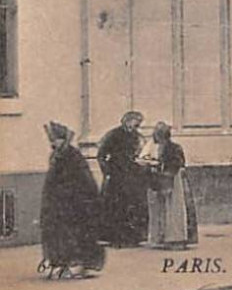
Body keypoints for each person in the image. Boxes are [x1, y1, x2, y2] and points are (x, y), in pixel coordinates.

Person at [38, 121, 105, 280]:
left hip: (74, 205)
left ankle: (76, 266)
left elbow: (83, 180)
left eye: (55, 140)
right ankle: (60, 264)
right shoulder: (56, 155)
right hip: (57, 205)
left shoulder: (73, 156)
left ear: (62, 139)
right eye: (51, 141)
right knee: (57, 235)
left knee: (74, 235)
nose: (53, 143)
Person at [141, 122, 198, 249]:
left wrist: (164, 171)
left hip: (173, 181)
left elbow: (177, 163)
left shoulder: (174, 147)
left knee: (174, 209)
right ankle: (162, 237)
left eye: (158, 135)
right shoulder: (157, 147)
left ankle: (176, 239)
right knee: (161, 209)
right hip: (161, 180)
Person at [97, 111, 149, 246]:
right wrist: (107, 171)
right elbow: (101, 154)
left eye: (139, 123)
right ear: (127, 120)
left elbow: (142, 152)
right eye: (135, 122)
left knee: (133, 206)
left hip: (133, 176)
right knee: (116, 207)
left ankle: (133, 238)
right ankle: (115, 238)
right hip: (116, 177)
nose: (137, 125)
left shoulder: (137, 137)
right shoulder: (113, 134)